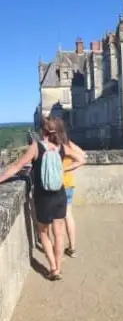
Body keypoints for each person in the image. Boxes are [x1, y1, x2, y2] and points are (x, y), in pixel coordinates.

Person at [0, 117, 85, 280]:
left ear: (43, 130)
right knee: (59, 234)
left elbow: (17, 166)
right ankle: (59, 268)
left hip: (43, 197)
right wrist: (65, 169)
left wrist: (1, 178)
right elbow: (81, 159)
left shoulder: (37, 147)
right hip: (59, 194)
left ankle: (53, 268)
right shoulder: (61, 148)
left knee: (44, 233)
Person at [53, 118, 85, 257]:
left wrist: (63, 169)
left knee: (57, 218)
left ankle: (58, 248)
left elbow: (83, 158)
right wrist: (68, 168)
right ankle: (72, 248)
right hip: (69, 184)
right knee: (68, 215)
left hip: (58, 185)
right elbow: (83, 156)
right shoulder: (68, 144)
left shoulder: (55, 145)